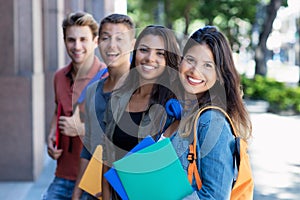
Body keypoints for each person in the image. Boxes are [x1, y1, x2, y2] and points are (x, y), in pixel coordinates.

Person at [163, 26, 252, 199]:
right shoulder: (179, 111)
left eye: (207, 65)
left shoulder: (211, 121)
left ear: (219, 74)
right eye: (190, 60)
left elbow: (215, 196)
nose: (195, 70)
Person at [101, 25, 182, 200]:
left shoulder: (175, 107)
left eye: (160, 53)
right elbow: (107, 162)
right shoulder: (117, 98)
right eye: (144, 50)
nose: (150, 58)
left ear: (169, 59)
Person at [43, 12, 107, 200]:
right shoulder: (59, 76)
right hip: (62, 174)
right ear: (64, 41)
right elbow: (58, 110)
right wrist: (51, 135)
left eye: (83, 39)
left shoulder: (108, 78)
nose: (77, 46)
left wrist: (81, 129)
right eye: (71, 40)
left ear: (95, 41)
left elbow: (115, 132)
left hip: (94, 179)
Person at [72, 14, 136, 200]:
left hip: (132, 189)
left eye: (120, 39)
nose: (112, 46)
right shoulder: (92, 91)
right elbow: (88, 148)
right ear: (98, 42)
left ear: (132, 44)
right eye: (106, 38)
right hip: (95, 190)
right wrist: (76, 194)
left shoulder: (142, 89)